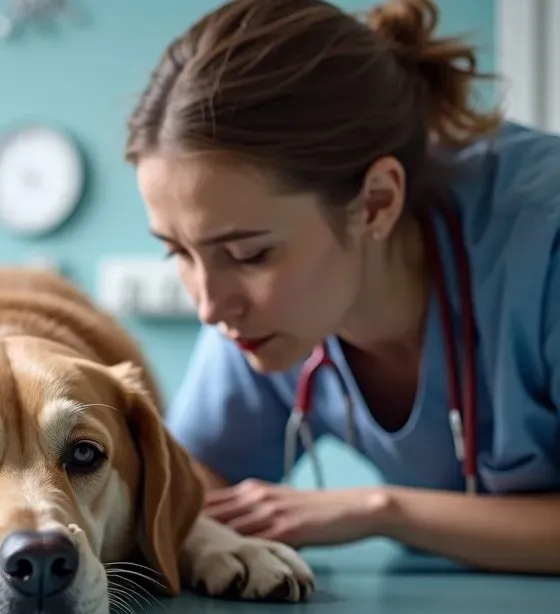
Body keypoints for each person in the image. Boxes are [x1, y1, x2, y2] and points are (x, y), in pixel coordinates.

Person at [124, 0, 560, 574]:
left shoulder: (541, 241)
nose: (210, 305)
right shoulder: (256, 317)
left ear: (376, 202)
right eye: (179, 252)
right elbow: (191, 486)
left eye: (249, 254)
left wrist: (382, 509)